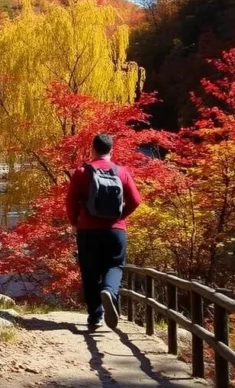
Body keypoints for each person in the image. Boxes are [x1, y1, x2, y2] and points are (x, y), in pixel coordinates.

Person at [65, 133, 143, 329]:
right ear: (111, 150)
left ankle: (95, 316)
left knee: (90, 271)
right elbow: (136, 200)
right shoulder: (121, 172)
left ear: (92, 149)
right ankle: (109, 290)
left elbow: (71, 201)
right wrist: (120, 216)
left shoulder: (82, 172)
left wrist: (75, 221)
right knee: (115, 266)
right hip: (115, 230)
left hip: (88, 231)